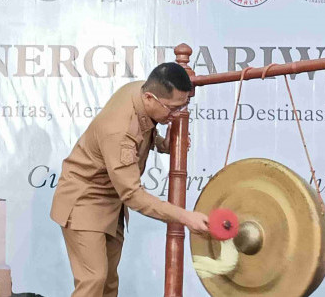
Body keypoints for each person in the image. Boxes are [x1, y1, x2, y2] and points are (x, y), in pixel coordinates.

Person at [51, 62, 209, 297]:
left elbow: (141, 133)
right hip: (84, 200)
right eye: (172, 109)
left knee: (109, 284)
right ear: (150, 98)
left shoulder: (140, 92)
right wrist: (186, 217)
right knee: (93, 280)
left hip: (112, 203)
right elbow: (133, 195)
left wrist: (163, 144)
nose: (175, 115)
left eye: (182, 107)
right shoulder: (118, 130)